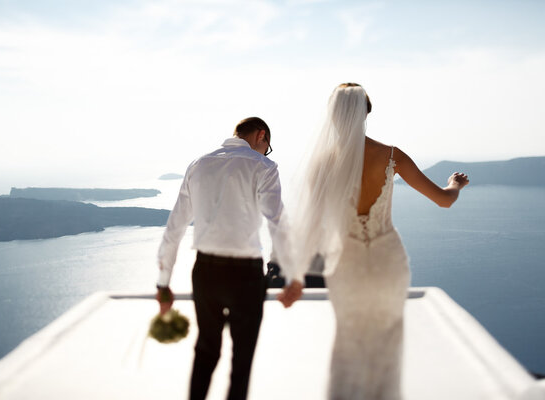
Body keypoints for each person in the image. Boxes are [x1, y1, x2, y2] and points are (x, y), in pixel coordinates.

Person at [291, 83, 469, 400]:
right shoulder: (391, 156)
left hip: (346, 264)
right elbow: (443, 201)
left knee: (348, 341)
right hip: (388, 261)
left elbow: (309, 228)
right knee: (387, 344)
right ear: (366, 113)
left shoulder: (320, 165)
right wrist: (454, 185)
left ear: (332, 118)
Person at [156, 117, 304, 400]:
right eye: (267, 146)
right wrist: (293, 276)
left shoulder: (198, 165)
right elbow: (277, 223)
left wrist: (163, 284)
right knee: (242, 359)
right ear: (261, 135)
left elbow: (174, 228)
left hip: (205, 271)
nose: (266, 153)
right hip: (245, 274)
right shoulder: (263, 166)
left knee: (206, 350)